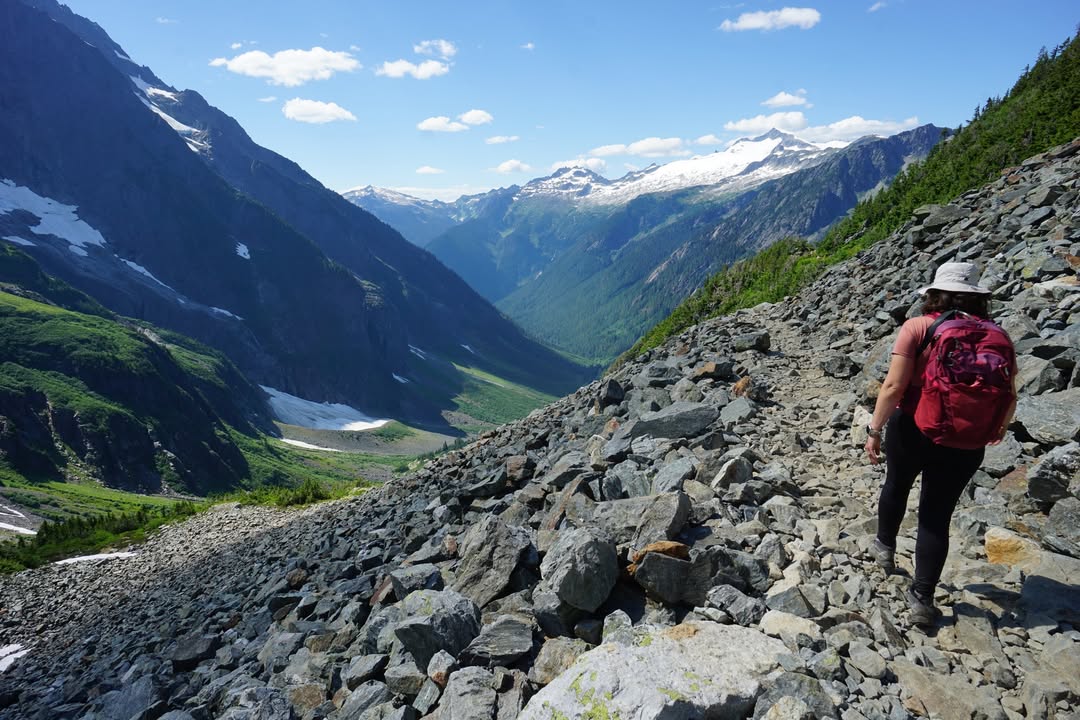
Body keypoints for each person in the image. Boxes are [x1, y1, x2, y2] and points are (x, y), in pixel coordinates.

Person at [863, 261, 1017, 626]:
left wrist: (874, 429)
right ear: (978, 297)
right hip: (966, 439)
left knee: (896, 485)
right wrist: (998, 427)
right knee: (936, 516)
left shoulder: (919, 327)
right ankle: (922, 597)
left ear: (934, 293)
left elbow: (894, 386)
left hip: (913, 426)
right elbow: (1010, 392)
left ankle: (884, 548)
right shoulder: (999, 335)